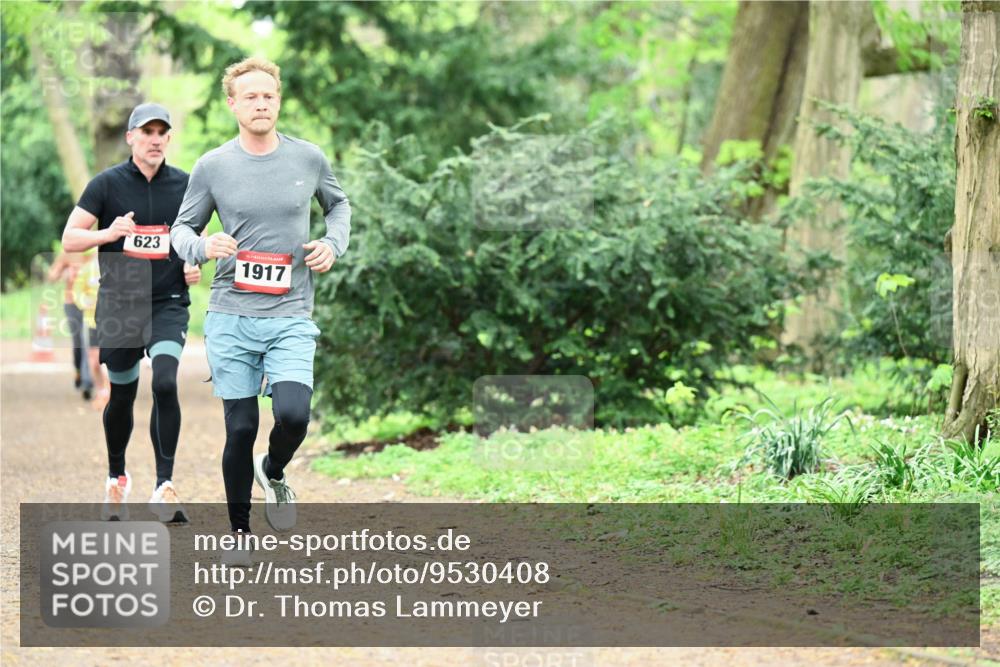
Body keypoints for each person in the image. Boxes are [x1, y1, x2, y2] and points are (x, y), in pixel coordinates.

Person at [171, 57, 350, 552]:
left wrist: (333, 244)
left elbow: (339, 205)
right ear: (233, 104)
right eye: (250, 96)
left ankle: (273, 471)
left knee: (293, 415)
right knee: (242, 426)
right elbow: (180, 230)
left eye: (268, 95)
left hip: (291, 312)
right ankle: (240, 533)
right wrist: (203, 247)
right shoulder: (213, 166)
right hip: (231, 313)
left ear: (278, 100)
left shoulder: (308, 158)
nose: (260, 103)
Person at [61, 103, 200, 523]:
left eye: (162, 132)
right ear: (130, 138)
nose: (155, 139)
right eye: (147, 132)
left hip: (167, 302)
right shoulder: (106, 185)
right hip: (120, 304)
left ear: (169, 139)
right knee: (121, 395)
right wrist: (111, 233)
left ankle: (165, 485)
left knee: (165, 381)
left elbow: (199, 235)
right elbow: (70, 238)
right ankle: (116, 477)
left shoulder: (187, 185)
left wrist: (195, 260)